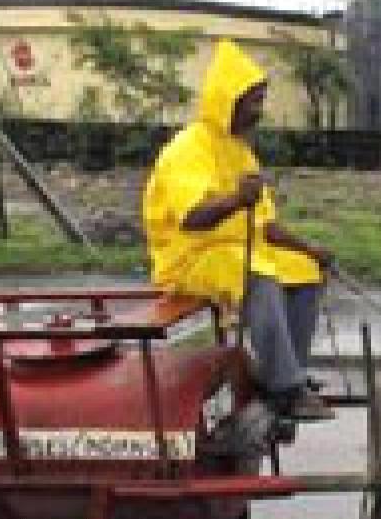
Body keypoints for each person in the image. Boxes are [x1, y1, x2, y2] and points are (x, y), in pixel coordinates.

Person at [143, 39, 334, 421]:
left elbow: (265, 226)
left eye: (262, 100)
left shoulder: (241, 151)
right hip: (189, 258)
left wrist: (309, 248)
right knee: (256, 272)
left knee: (303, 270)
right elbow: (192, 217)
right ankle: (285, 388)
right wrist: (235, 200)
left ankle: (287, 373)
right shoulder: (189, 148)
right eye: (254, 101)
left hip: (235, 250)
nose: (260, 111)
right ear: (228, 99)